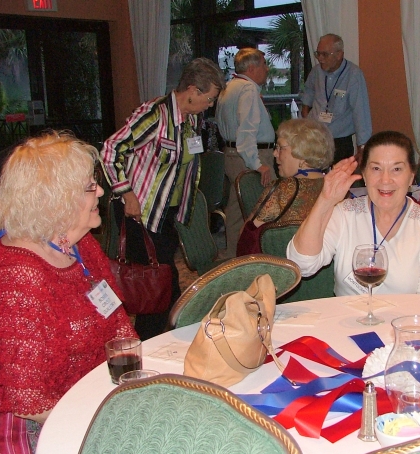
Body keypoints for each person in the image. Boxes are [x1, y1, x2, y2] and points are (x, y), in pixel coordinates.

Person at [0, 131, 137, 454]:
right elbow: (30, 405)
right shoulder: (19, 277)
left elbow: (118, 325)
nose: (101, 190)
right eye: (89, 186)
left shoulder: (80, 246)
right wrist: (105, 420)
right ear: (55, 199)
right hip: (43, 432)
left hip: (95, 400)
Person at [101, 57, 225, 340]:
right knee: (156, 288)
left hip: (166, 214)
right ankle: (150, 344)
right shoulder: (154, 115)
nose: (210, 104)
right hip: (140, 212)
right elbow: (110, 150)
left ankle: (163, 339)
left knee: (163, 283)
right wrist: (126, 192)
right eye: (209, 98)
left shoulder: (193, 117)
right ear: (192, 90)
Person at [287, 130, 420, 296]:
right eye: (376, 168)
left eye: (397, 169)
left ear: (411, 177)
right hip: (345, 319)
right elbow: (302, 265)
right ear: (364, 174)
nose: (385, 179)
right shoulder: (345, 214)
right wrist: (326, 199)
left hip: (403, 321)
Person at [236, 118, 334, 256]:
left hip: (283, 273)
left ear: (302, 151)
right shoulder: (336, 187)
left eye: (280, 148)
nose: (274, 153)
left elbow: (246, 235)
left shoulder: (283, 189)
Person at [215, 48, 277, 259]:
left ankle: (235, 254)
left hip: (231, 155)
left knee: (235, 212)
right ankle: (262, 255)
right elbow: (247, 131)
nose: (267, 69)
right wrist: (258, 164)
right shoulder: (248, 89)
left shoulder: (228, 87)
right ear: (252, 67)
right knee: (265, 208)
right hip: (251, 156)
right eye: (264, 64)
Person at [301, 33, 372, 165]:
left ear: (339, 55)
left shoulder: (353, 75)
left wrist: (363, 146)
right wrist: (305, 112)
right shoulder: (317, 71)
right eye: (318, 54)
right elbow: (309, 90)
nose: (320, 59)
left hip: (339, 142)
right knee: (314, 180)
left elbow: (361, 112)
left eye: (325, 54)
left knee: (337, 182)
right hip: (315, 137)